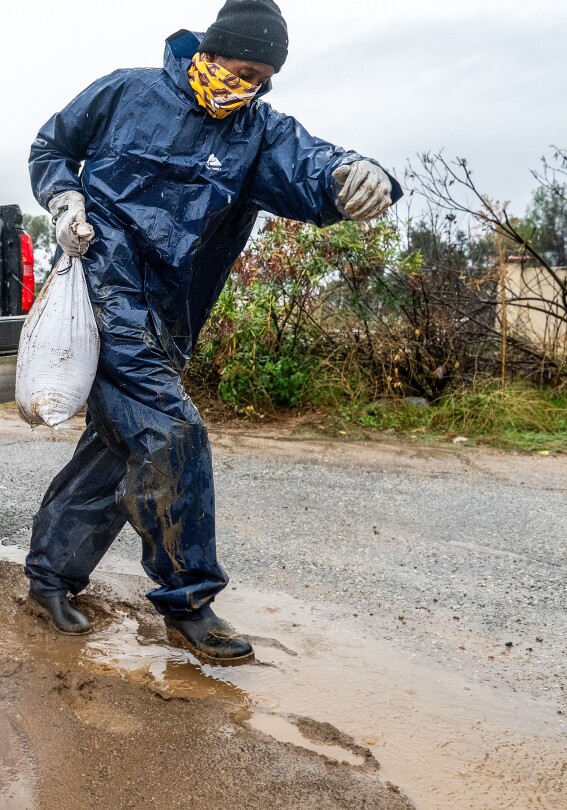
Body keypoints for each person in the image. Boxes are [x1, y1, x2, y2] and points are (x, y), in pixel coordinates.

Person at [23, 0, 400, 665]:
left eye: (264, 78)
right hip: (104, 291)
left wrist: (362, 175)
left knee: (118, 445)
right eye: (247, 69)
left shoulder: (257, 133)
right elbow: (52, 146)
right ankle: (188, 600)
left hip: (170, 317)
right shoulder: (125, 93)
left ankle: (50, 577)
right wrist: (64, 196)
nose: (253, 86)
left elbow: (314, 170)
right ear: (215, 51)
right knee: (170, 431)